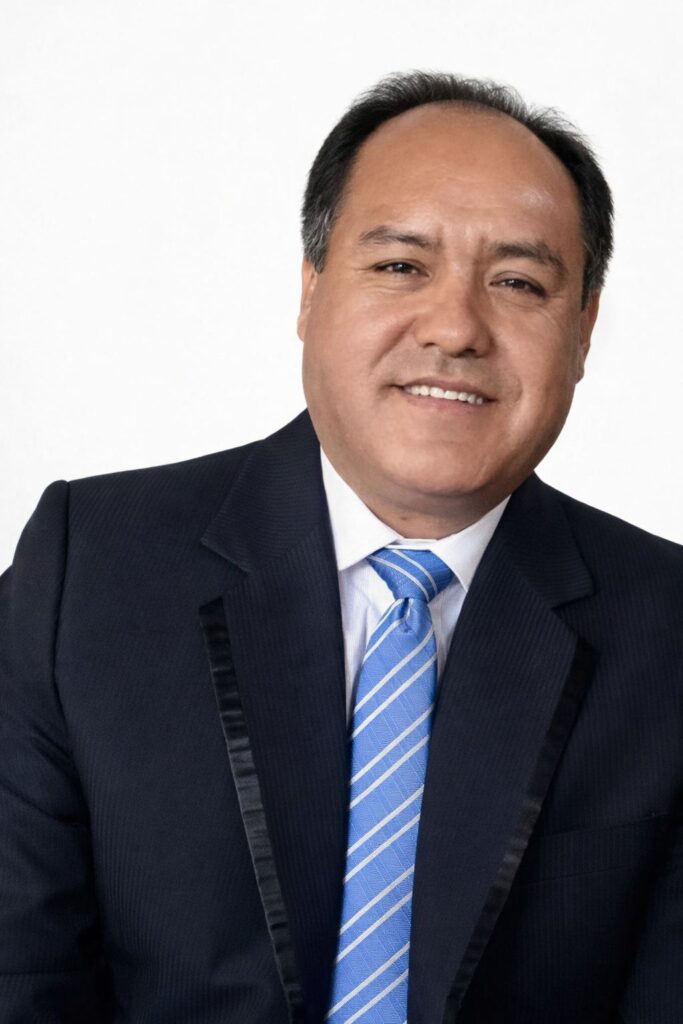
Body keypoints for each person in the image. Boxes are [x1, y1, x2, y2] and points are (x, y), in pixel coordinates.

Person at [0, 70, 681, 1024]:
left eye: (518, 282)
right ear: (310, 288)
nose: (454, 327)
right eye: (400, 266)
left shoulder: (665, 629)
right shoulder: (91, 574)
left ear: (583, 331)